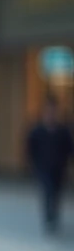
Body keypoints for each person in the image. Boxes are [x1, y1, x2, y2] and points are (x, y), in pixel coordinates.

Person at [26, 97, 73, 235]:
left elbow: (69, 149)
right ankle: (48, 218)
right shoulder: (37, 131)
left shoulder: (62, 131)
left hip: (59, 169)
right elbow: (30, 149)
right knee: (47, 192)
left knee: (56, 194)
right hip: (43, 168)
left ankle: (54, 217)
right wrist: (32, 165)